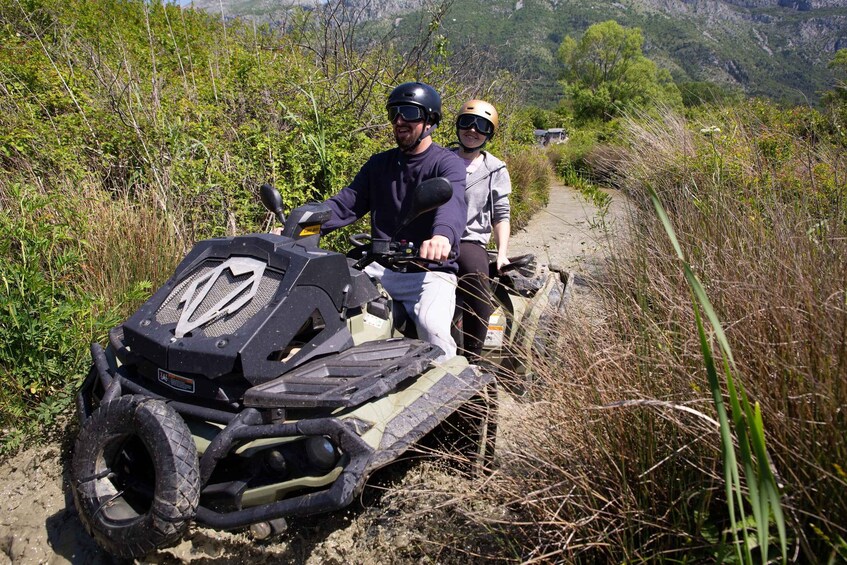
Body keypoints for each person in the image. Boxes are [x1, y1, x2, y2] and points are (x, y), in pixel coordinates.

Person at [320, 82, 468, 361]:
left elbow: (452, 203)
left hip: (428, 272)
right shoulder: (379, 164)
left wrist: (442, 237)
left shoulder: (447, 163)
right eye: (394, 113)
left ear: (430, 120)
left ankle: (452, 394)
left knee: (433, 330)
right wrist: (303, 222)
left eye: (409, 113)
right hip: (379, 269)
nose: (399, 120)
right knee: (326, 311)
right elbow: (345, 203)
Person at [451, 99, 512, 361]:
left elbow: (501, 215)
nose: (473, 130)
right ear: (458, 125)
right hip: (431, 236)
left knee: (477, 285)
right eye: (467, 122)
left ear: (489, 133)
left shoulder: (495, 169)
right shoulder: (440, 159)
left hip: (468, 239)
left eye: (482, 126)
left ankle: (473, 360)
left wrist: (501, 253)